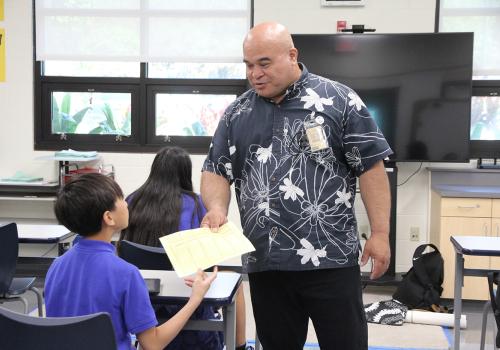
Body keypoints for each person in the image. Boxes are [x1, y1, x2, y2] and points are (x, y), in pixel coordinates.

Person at [201, 22, 393, 350]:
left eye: (264, 63)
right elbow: (216, 170)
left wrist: (380, 233)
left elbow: (371, 167)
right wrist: (217, 209)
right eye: (249, 65)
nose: (255, 74)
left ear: (292, 55)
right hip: (267, 262)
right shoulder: (237, 113)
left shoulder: (339, 100)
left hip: (330, 259)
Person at [44, 173, 217, 350]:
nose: (126, 203)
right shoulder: (126, 274)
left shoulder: (56, 267)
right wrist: (195, 298)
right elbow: (153, 344)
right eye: (120, 198)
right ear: (108, 218)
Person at [119, 146, 250, 350]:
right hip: (190, 296)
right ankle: (240, 347)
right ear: (185, 173)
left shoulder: (132, 200)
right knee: (236, 282)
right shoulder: (196, 204)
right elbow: (208, 261)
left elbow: (122, 251)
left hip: (145, 298)